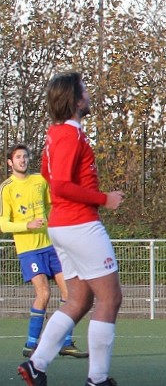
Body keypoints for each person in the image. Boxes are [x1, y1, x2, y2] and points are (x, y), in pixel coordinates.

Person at [18, 71, 125, 386]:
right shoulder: (69, 135)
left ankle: (36, 365)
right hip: (80, 225)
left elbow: (48, 175)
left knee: (78, 300)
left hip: (62, 226)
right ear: (76, 100)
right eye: (85, 90)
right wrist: (104, 199)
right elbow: (61, 185)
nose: (89, 94)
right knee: (110, 299)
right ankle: (97, 378)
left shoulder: (56, 133)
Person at [1, 144, 88, 359]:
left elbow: (52, 206)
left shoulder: (40, 180)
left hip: (50, 246)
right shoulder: (6, 188)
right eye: (18, 157)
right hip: (29, 250)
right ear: (10, 162)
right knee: (44, 293)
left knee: (70, 294)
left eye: (25, 156)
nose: (23, 160)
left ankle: (65, 342)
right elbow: (3, 224)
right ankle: (30, 344)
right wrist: (27, 225)